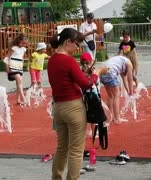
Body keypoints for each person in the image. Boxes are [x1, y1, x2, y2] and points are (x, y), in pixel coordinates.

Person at [47, 28, 107, 180]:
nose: (77, 49)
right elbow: (86, 84)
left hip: (58, 108)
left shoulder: (52, 59)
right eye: (76, 45)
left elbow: (66, 80)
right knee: (75, 151)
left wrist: (84, 75)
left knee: (61, 148)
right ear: (68, 42)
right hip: (73, 107)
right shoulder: (69, 60)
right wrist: (97, 73)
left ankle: (57, 177)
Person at [100, 49, 138, 124]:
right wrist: (131, 92)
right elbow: (130, 80)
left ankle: (109, 116)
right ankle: (116, 119)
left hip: (102, 72)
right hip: (110, 72)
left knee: (110, 96)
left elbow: (124, 79)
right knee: (117, 94)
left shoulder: (120, 60)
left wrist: (129, 92)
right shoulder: (129, 63)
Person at [3, 33, 27, 105]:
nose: (24, 45)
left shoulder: (23, 49)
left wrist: (22, 66)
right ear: (18, 41)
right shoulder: (14, 48)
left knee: (18, 83)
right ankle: (23, 98)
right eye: (22, 43)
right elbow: (7, 58)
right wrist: (7, 68)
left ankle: (18, 99)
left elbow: (22, 58)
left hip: (19, 67)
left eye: (25, 43)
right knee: (19, 80)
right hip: (12, 67)